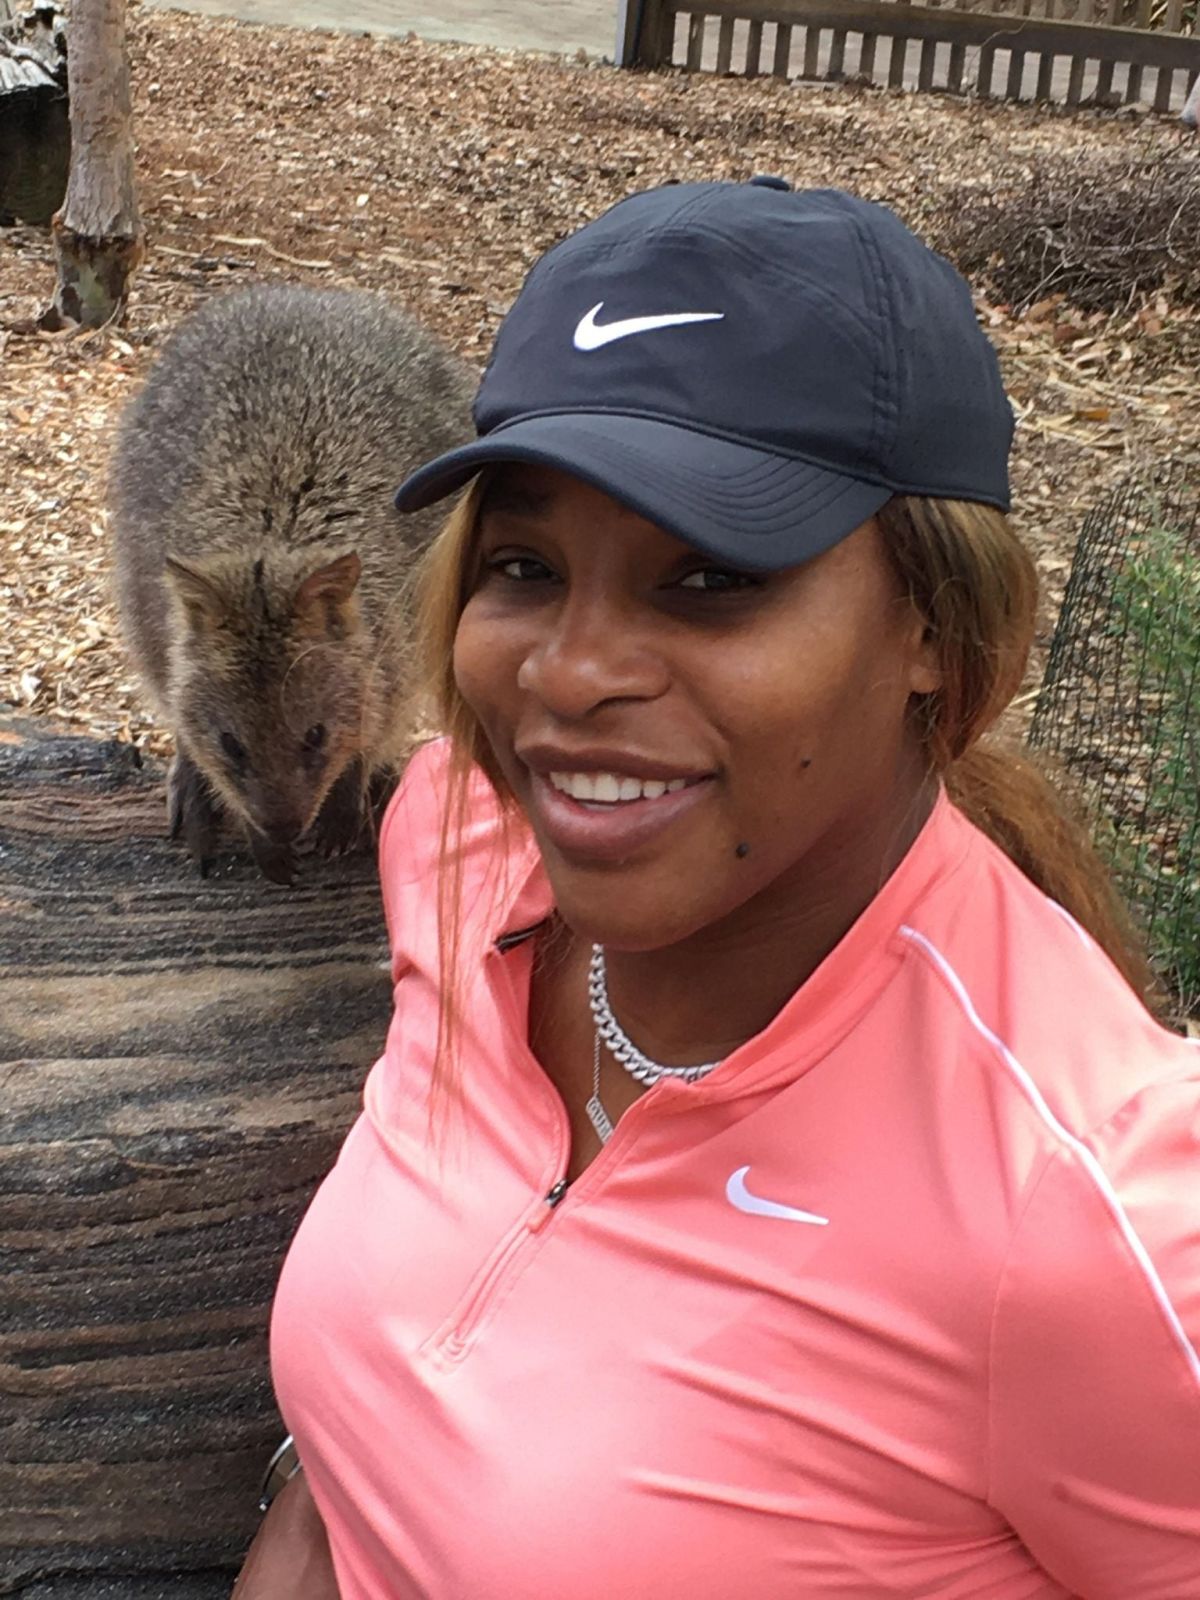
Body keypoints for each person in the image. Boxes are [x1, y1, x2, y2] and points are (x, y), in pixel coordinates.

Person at [233, 180, 1200, 1600]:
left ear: (936, 627)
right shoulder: (462, 847)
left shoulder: (1094, 1211)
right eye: (525, 565)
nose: (567, 675)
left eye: (712, 578)